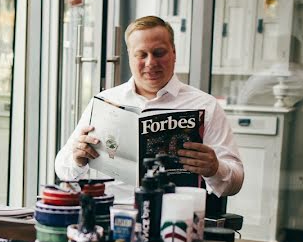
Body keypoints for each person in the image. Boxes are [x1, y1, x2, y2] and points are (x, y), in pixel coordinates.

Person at [55, 15, 244, 198]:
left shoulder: (205, 106)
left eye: (159, 53)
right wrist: (77, 159)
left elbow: (235, 181)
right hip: (112, 213)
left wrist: (215, 168)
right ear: (130, 56)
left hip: (175, 215)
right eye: (141, 55)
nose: (150, 63)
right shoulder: (105, 102)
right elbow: (62, 169)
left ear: (174, 53)